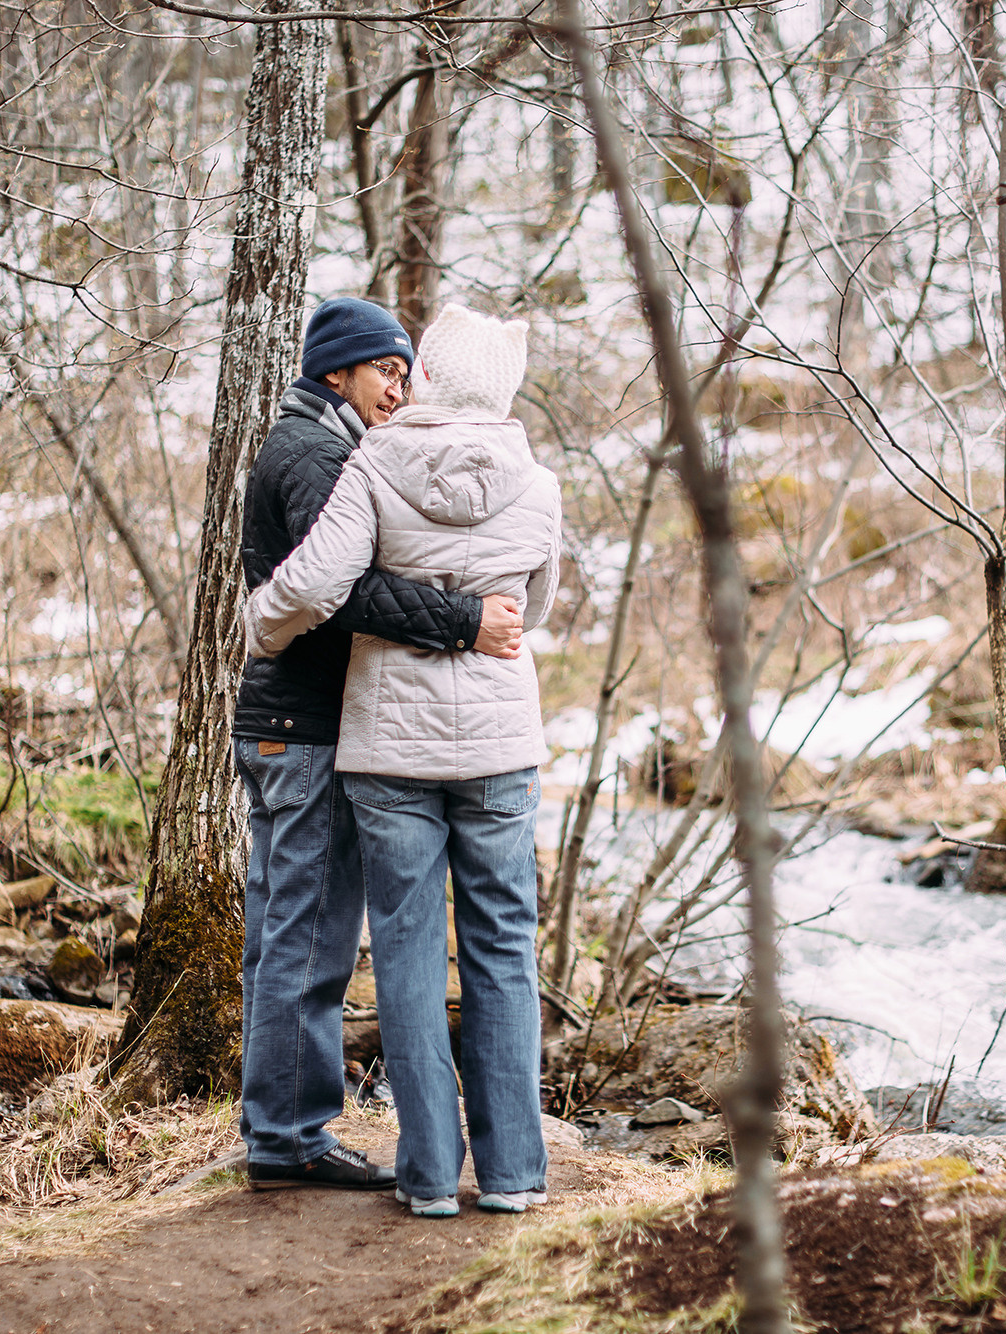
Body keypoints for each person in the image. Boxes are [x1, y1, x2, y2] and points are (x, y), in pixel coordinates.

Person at [245, 303, 559, 1219]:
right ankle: (513, 1176)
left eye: (404, 367)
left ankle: (427, 1179)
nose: (396, 381)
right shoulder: (538, 481)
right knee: (504, 947)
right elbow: (534, 607)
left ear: (427, 376)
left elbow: (315, 582)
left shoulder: (374, 462)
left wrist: (260, 624)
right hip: (499, 742)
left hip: (391, 745)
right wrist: (478, 617)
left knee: (409, 949)